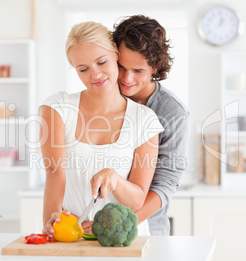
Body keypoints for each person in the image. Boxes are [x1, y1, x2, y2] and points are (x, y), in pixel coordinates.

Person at [39, 21, 164, 237]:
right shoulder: (57, 108)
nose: (95, 75)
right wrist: (52, 221)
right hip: (72, 236)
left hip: (124, 242)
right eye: (83, 69)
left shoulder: (145, 120)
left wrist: (115, 179)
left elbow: (137, 199)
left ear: (116, 55)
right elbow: (54, 173)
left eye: (101, 62)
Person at [112, 15, 190, 236]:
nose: (126, 78)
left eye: (138, 71)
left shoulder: (172, 111)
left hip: (147, 228)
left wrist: (123, 223)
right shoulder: (104, 97)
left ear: (155, 67)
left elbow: (167, 181)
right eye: (121, 67)